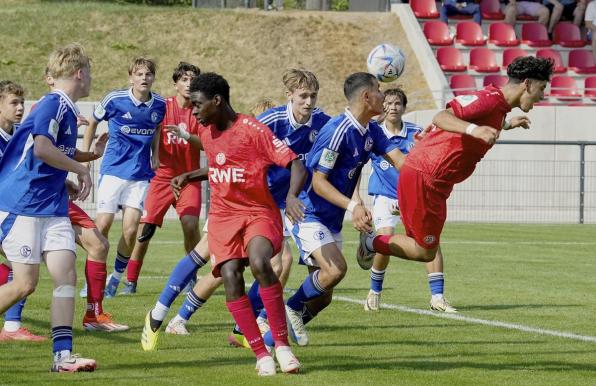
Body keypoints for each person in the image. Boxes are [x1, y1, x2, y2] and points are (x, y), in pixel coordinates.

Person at [142, 72, 305, 376]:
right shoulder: (206, 131)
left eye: (197, 105)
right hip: (223, 217)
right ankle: (260, 354)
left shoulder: (253, 130)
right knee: (229, 275)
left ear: (217, 101)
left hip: (257, 211)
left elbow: (295, 162)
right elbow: (219, 166)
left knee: (260, 262)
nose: (193, 112)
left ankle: (281, 346)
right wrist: (189, 175)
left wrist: (293, 196)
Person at [357, 57, 554, 293]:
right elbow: (442, 116)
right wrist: (474, 130)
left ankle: (375, 246)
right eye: (541, 89)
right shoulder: (490, 99)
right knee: (424, 250)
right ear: (527, 84)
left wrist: (508, 125)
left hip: (435, 183)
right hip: (425, 176)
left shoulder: (499, 107)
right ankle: (371, 243)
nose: (542, 96)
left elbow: (488, 119)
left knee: (426, 250)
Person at [282, 72, 406, 347]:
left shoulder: (371, 130)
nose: (384, 97)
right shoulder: (338, 131)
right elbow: (318, 181)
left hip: (332, 219)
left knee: (324, 296)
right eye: (378, 90)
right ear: (366, 96)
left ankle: (272, 336)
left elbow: (400, 161)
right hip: (308, 213)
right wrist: (354, 206)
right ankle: (288, 308)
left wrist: (430, 153)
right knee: (336, 270)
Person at [0, 43, 97, 372]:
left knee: (66, 275)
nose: (91, 79)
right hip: (23, 205)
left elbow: (47, 154)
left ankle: (63, 357)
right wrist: (80, 169)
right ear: (80, 73)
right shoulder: (54, 104)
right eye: (90, 72)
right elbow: (41, 148)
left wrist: (68, 174)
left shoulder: (66, 109)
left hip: (52, 206)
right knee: (24, 284)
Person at [361, 87, 456, 313]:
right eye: (389, 103)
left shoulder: (416, 133)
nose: (393, 107)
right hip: (385, 195)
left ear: (404, 108)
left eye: (397, 104)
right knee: (386, 239)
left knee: (430, 240)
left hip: (413, 197)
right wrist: (356, 200)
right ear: (382, 106)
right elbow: (358, 165)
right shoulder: (374, 134)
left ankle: (438, 297)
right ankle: (374, 292)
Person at [83, 57, 166, 298]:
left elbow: (157, 129)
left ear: (153, 78)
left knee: (131, 231)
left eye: (148, 74)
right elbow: (92, 122)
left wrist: (156, 155)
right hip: (113, 171)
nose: (144, 78)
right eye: (139, 74)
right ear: (131, 77)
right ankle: (91, 280)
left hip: (140, 175)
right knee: (103, 225)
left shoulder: (159, 104)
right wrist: (87, 157)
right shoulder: (114, 99)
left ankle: (115, 279)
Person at [122, 62, 202, 295]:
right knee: (145, 230)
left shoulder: (200, 110)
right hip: (162, 177)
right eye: (184, 80)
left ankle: (191, 277)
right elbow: (152, 129)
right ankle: (131, 280)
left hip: (189, 179)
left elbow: (207, 144)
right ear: (175, 84)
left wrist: (186, 135)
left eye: (193, 80)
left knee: (190, 224)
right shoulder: (162, 106)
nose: (189, 84)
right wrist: (153, 154)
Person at [0, 80, 46, 341]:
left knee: (22, 264)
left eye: (22, 103)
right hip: (7, 211)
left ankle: (12, 328)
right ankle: (12, 328)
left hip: (12, 210)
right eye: (13, 103)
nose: (20, 108)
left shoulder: (20, 135)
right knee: (23, 268)